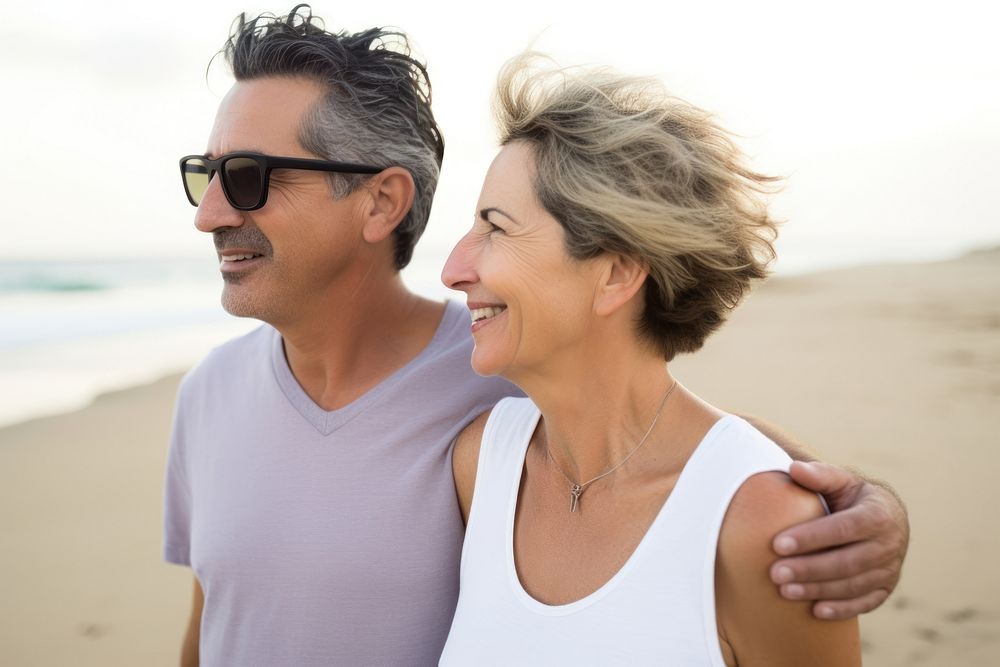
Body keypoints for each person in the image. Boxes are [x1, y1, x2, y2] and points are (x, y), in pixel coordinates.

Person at [164, 6, 908, 666]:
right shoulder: (212, 396)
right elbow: (213, 619)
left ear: (382, 201)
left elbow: (660, 434)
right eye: (207, 174)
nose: (208, 214)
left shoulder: (495, 378)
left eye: (252, 176)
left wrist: (853, 501)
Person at [439, 56, 865, 665]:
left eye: (496, 228)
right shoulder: (482, 465)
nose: (455, 269)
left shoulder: (760, 523)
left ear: (614, 274)